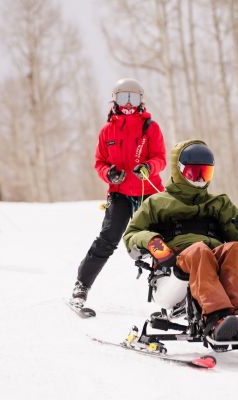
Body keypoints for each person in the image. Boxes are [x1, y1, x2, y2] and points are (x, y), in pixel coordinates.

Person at [123, 140, 238, 342]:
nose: (199, 180)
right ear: (179, 171)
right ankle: (216, 319)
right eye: (193, 173)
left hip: (212, 262)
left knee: (233, 249)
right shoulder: (157, 202)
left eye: (204, 174)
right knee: (199, 251)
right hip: (174, 267)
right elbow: (131, 235)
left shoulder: (219, 203)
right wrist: (152, 241)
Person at [70, 78, 167, 307]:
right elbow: (99, 162)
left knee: (160, 238)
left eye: (134, 97)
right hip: (120, 192)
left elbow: (160, 158)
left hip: (147, 191)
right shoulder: (108, 130)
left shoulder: (150, 127)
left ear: (141, 100)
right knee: (108, 238)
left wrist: (148, 167)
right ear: (114, 99)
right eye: (124, 97)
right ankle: (82, 285)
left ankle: (171, 288)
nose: (129, 103)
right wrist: (109, 173)